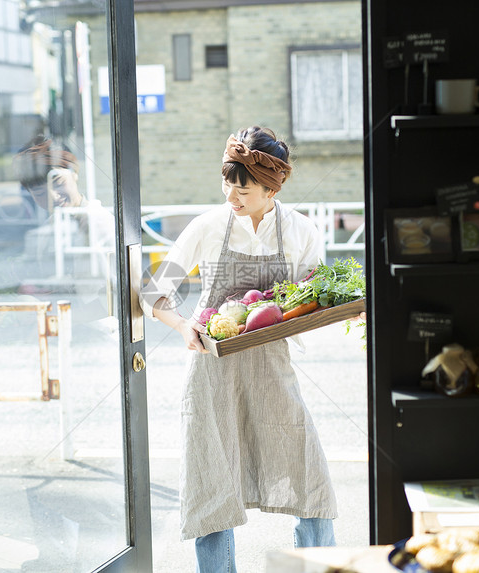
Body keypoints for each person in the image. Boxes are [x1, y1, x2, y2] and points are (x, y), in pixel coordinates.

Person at [141, 126, 345, 572]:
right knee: (212, 485)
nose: (232, 197)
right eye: (228, 185)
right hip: (212, 374)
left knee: (309, 479)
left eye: (244, 189)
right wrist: (182, 327)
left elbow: (316, 294)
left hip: (273, 370)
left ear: (271, 188)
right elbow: (154, 292)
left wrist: (343, 307)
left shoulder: (300, 231)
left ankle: (320, 566)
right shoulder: (208, 226)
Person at [12, 135, 114, 276]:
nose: (53, 196)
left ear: (74, 174)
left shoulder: (98, 221)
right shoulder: (51, 225)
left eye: (58, 183)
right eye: (40, 193)